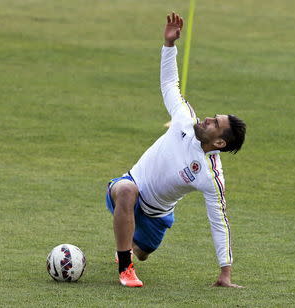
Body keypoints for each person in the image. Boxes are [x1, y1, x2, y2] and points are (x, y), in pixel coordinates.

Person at [105, 12, 246, 288]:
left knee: (143, 252)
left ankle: (131, 249)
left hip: (158, 215)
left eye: (215, 123)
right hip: (129, 185)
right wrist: (169, 45)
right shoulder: (184, 119)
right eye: (212, 116)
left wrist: (225, 272)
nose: (207, 119)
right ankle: (125, 269)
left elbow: (219, 221)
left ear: (219, 143)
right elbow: (170, 84)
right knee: (126, 192)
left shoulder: (210, 175)